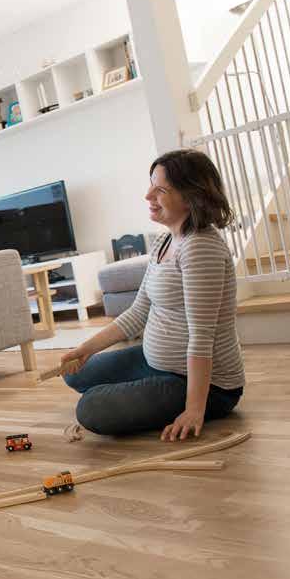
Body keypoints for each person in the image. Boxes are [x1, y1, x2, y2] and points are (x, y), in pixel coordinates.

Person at [60, 149, 245, 441]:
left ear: (191, 196)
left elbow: (202, 336)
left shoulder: (200, 248)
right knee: (74, 371)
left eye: (160, 189)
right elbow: (137, 313)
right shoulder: (164, 240)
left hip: (205, 385)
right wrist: (86, 349)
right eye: (150, 185)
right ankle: (139, 386)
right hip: (155, 361)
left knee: (90, 409)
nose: (148, 195)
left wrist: (194, 409)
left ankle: (188, 400)